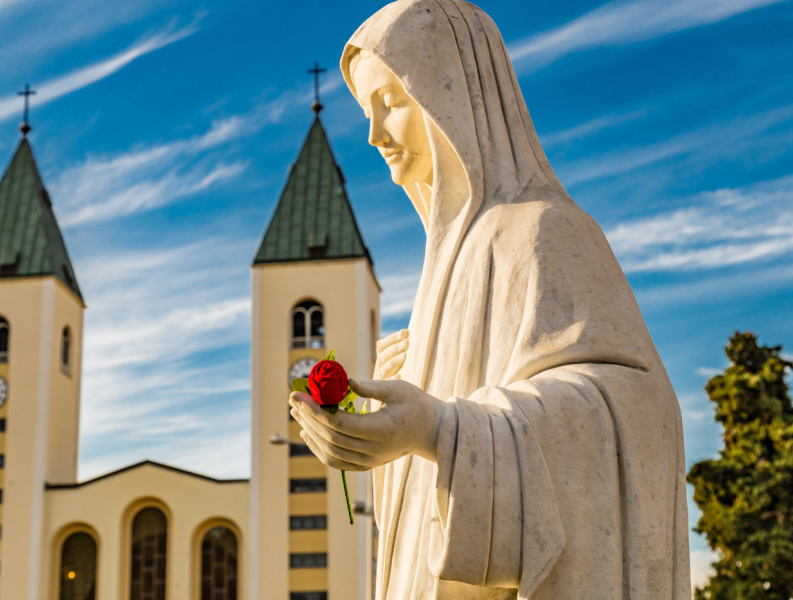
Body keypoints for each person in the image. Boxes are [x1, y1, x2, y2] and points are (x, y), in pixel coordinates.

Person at [289, 1, 690, 598]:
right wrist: (383, 427)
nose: (374, 136)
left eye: (392, 104)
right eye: (367, 113)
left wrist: (439, 429)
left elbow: (639, 412)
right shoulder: (444, 270)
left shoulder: (543, 231)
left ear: (455, 99)